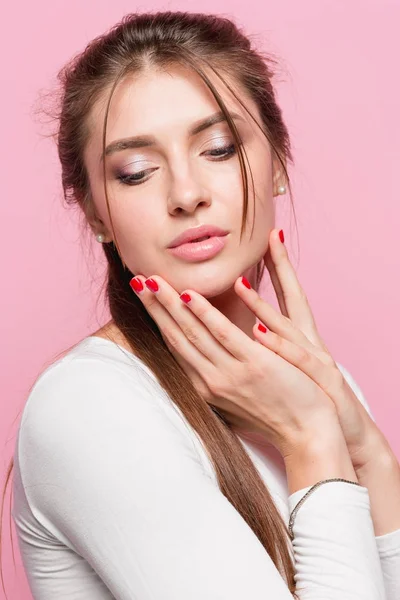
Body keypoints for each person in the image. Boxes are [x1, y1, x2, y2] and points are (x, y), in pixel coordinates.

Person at [8, 10, 400, 600]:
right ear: (95, 215)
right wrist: (312, 437)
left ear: (277, 164)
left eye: (218, 148)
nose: (187, 194)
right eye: (135, 172)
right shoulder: (89, 405)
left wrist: (369, 453)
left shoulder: (318, 388)